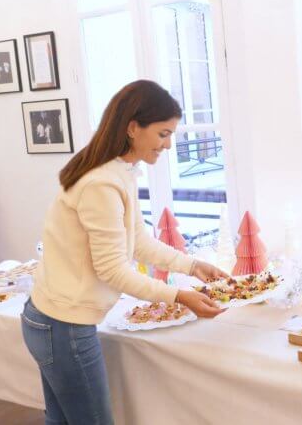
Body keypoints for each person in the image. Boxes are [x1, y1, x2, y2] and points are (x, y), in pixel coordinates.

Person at [21, 80, 227, 425]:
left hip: (51, 320)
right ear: (133, 127)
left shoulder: (118, 173)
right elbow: (113, 270)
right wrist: (180, 296)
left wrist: (192, 266)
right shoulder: (102, 183)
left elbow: (139, 242)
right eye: (163, 134)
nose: (169, 145)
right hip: (64, 327)